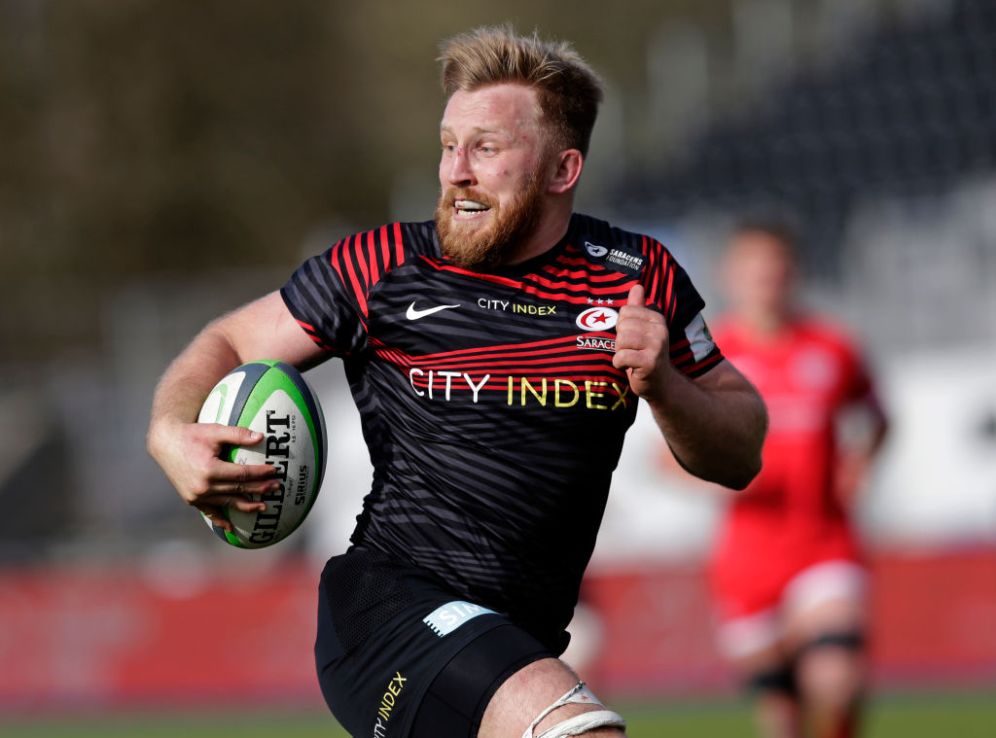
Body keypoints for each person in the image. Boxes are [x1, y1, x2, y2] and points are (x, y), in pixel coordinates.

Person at [147, 26, 766, 738]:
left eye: (486, 148)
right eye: (448, 146)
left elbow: (741, 449)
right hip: (389, 610)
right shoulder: (380, 266)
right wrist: (170, 431)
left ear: (562, 169)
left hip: (523, 632)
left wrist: (665, 385)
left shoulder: (636, 276)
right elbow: (228, 341)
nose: (456, 172)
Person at [690, 220, 889, 738]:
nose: (766, 278)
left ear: (793, 272)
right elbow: (668, 454)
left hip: (824, 539)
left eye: (776, 267)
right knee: (783, 715)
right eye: (754, 268)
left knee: (836, 677)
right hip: (748, 558)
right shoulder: (711, 355)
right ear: (731, 275)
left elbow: (877, 416)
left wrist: (861, 461)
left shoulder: (832, 347)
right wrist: (716, 477)